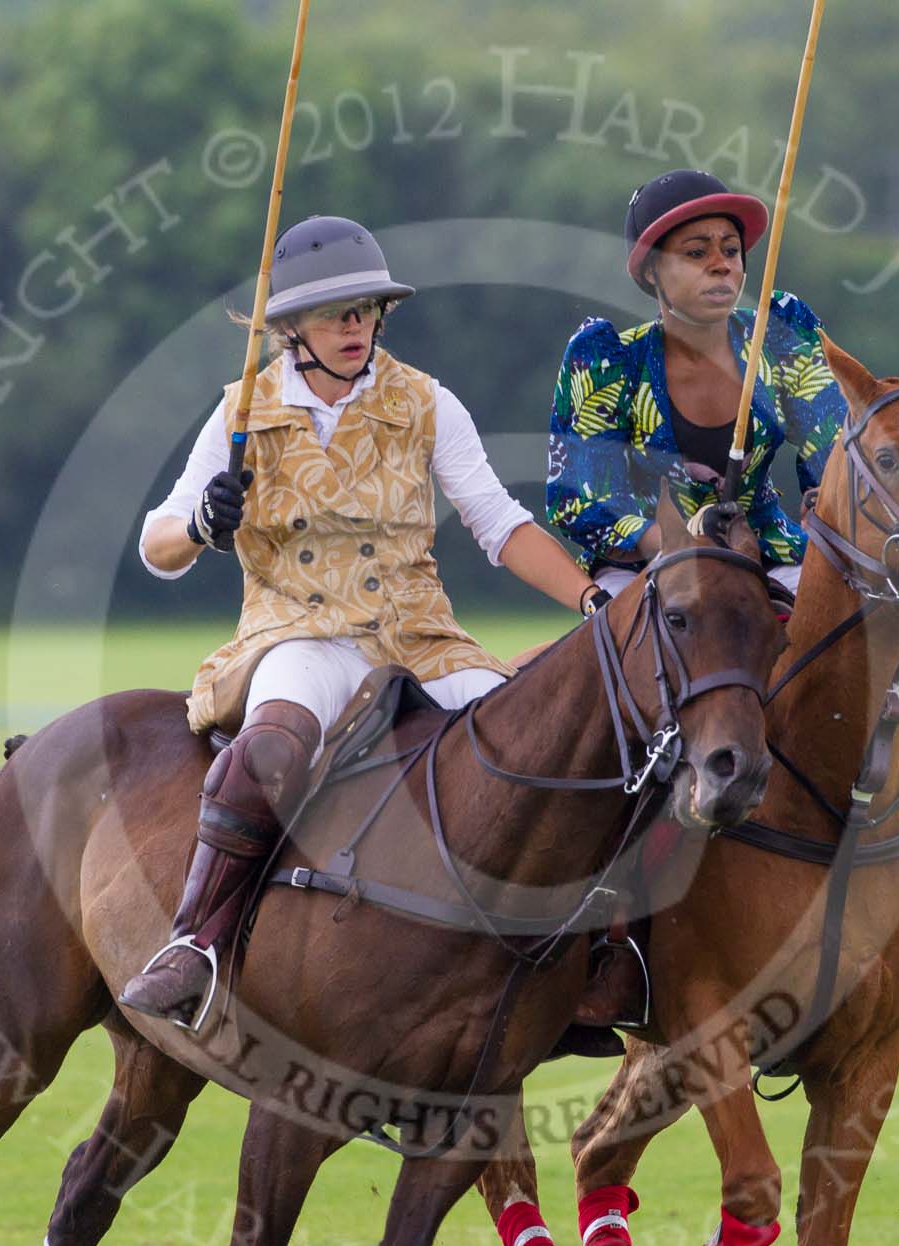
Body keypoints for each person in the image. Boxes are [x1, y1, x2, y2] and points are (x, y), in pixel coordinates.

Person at [545, 169, 899, 1003]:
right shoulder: (604, 358)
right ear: (651, 270)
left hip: (769, 553)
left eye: (730, 250)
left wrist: (823, 523)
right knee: (612, 718)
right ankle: (595, 936)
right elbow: (576, 495)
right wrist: (675, 541)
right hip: (652, 569)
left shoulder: (782, 335)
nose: (721, 264)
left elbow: (829, 456)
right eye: (696, 251)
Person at [119, 215, 599, 1026]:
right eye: (335, 313)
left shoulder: (426, 401)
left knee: (534, 756)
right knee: (270, 748)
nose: (356, 326)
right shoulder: (243, 410)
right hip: (299, 634)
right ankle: (196, 943)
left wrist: (591, 599)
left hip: (418, 636)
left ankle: (588, 955)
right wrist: (201, 522)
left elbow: (498, 522)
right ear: (290, 328)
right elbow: (155, 546)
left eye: (367, 309)